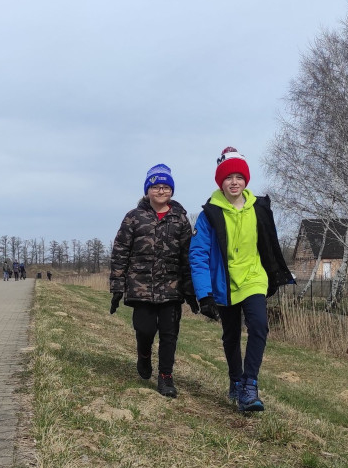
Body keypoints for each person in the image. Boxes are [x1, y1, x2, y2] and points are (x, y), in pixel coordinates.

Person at [188, 147, 294, 412]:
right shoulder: (209, 215)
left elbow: (269, 244)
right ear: (220, 182)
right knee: (231, 335)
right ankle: (235, 379)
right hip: (224, 283)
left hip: (253, 278)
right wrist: (204, 294)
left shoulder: (259, 208)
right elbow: (199, 255)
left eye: (239, 176)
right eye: (228, 177)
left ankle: (250, 385)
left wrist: (274, 274)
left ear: (246, 180)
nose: (234, 182)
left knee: (259, 326)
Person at [110, 163, 198, 398]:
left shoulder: (179, 218)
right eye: (156, 187)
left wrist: (190, 291)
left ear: (171, 190)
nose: (161, 191)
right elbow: (120, 252)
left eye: (165, 187)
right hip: (141, 288)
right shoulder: (134, 217)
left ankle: (166, 377)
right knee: (145, 329)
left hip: (171, 288)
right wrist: (117, 287)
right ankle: (144, 356)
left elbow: (187, 255)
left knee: (169, 334)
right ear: (148, 190)